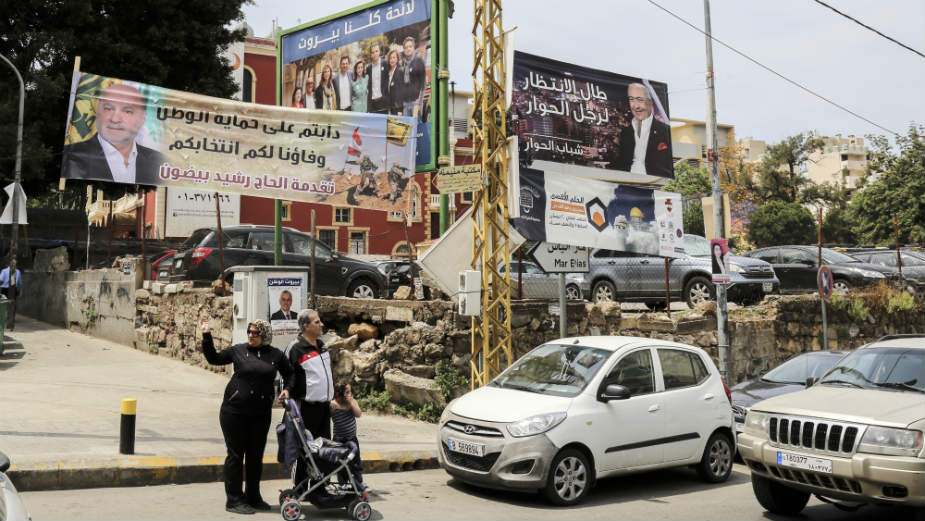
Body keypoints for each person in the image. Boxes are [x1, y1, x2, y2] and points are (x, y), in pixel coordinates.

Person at [200, 318, 293, 515]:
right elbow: (214, 358)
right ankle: (233, 499)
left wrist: (288, 390)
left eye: (256, 332)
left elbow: (290, 374)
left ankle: (253, 496)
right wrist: (207, 335)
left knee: (255, 456)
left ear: (264, 335)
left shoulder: (275, 355)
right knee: (235, 455)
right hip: (234, 412)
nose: (251, 335)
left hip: (261, 414)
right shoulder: (238, 350)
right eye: (249, 331)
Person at [62, 83, 165, 185]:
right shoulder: (69, 157)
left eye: (127, 111)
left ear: (142, 118)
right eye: (108, 109)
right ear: (97, 112)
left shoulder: (159, 162)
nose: (115, 119)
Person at [286, 309, 333, 440]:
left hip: (324, 407)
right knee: (307, 452)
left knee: (324, 450)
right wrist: (287, 392)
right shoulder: (295, 348)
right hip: (306, 409)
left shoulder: (321, 345)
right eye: (317, 322)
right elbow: (287, 375)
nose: (322, 324)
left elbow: (326, 374)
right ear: (306, 326)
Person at [615, 83, 672, 177]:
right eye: (631, 100)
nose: (636, 106)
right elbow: (622, 164)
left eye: (640, 99)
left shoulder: (665, 131)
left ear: (650, 103)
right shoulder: (626, 132)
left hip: (654, 184)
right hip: (626, 182)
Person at [330, 382, 367, 491]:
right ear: (338, 393)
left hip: (352, 438)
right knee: (341, 462)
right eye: (347, 392)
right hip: (339, 439)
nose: (349, 394)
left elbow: (358, 414)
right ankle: (343, 483)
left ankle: (359, 482)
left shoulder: (352, 403)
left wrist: (352, 403)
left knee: (355, 461)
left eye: (350, 392)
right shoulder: (333, 404)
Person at [398, 37, 426, 117]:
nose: (408, 49)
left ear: (414, 48)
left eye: (410, 46)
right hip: (405, 103)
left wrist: (419, 103)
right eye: (406, 47)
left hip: (415, 102)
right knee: (407, 127)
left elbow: (423, 84)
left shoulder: (419, 61)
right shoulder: (403, 63)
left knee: (417, 127)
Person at [365, 42, 389, 114]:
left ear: (379, 52)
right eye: (372, 52)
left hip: (383, 102)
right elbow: (368, 86)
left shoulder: (385, 64)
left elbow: (388, 81)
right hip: (373, 104)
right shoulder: (368, 68)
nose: (375, 54)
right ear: (370, 54)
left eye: (376, 51)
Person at [0, 260, 22, 331]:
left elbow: (0, 280)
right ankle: (10, 325)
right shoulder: (18, 271)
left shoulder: (4, 271)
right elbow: (19, 283)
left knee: (3, 306)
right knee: (12, 307)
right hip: (13, 290)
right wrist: (19, 290)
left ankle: (3, 323)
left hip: (5, 290)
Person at [386, 49, 404, 115]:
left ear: (397, 59)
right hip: (390, 108)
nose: (392, 60)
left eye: (394, 57)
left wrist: (400, 110)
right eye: (390, 58)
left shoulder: (400, 71)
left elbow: (401, 92)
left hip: (397, 109)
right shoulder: (388, 72)